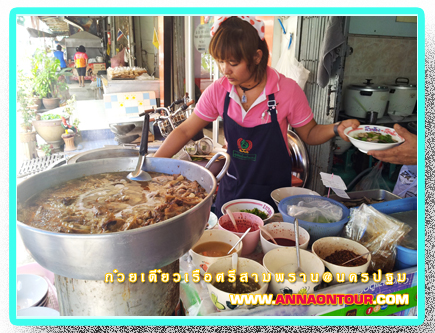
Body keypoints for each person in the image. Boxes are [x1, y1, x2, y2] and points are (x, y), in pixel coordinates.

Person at [153, 16, 360, 217]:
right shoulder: (219, 91)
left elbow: (311, 133)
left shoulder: (286, 90)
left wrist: (336, 127)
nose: (225, 70)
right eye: (220, 61)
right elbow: (185, 130)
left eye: (233, 63)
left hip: (274, 192)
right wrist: (152, 167)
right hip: (232, 188)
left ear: (256, 57)